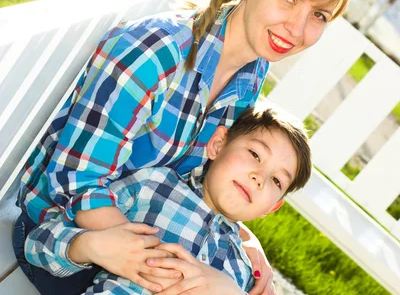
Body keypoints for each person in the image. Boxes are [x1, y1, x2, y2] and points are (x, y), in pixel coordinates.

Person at [13, 0, 353, 295]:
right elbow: (74, 182)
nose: (298, 28)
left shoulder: (250, 73)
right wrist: (202, 280)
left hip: (140, 226)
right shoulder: (157, 54)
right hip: (69, 235)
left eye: (318, 15)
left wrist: (242, 240)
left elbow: (193, 179)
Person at [24, 106, 312, 295]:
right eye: (255, 155)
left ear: (272, 208)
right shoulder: (153, 186)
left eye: (277, 181)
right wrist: (89, 246)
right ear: (218, 144)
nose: (259, 177)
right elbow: (38, 245)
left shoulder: (244, 271)